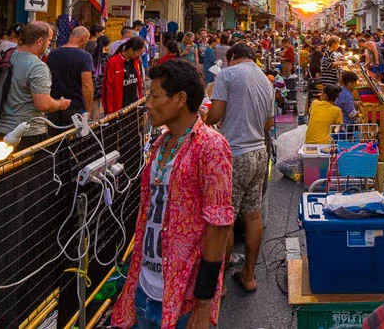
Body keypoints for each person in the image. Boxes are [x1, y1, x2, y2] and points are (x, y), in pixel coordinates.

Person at [111, 60, 234, 329]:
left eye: (155, 96)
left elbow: (218, 226)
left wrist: (203, 304)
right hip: (145, 288)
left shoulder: (211, 147)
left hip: (183, 299)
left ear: (180, 99)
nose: (148, 104)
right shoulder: (160, 143)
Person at [206, 43, 274, 294]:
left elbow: (216, 114)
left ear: (232, 57)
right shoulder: (265, 80)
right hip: (259, 153)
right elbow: (268, 123)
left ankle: (220, 283)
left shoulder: (228, 74)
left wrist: (204, 120)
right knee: (253, 215)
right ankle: (248, 276)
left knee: (226, 218)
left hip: (235, 153)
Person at [0, 22, 70, 149]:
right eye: (49, 40)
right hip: (25, 134)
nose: (49, 44)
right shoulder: (37, 66)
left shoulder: (4, 57)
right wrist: (60, 104)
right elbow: (43, 104)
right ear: (39, 41)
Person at [46, 25, 96, 123]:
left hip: (54, 105)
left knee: (55, 137)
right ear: (84, 39)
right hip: (74, 107)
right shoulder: (85, 56)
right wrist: (89, 110)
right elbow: (87, 85)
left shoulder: (53, 54)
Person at [104, 36, 147, 114]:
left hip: (135, 105)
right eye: (139, 53)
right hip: (119, 107)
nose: (139, 55)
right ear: (130, 50)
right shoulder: (113, 62)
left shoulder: (136, 61)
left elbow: (139, 84)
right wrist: (109, 110)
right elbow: (108, 88)